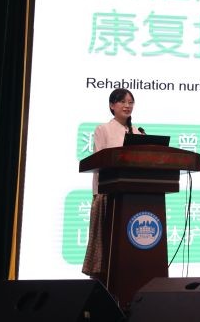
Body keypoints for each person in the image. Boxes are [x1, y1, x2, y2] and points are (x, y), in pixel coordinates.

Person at [82, 87, 142, 281]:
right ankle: (102, 285)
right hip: (107, 194)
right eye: (122, 101)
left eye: (130, 102)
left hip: (132, 196)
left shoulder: (138, 132)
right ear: (111, 105)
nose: (127, 105)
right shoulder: (103, 129)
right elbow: (99, 160)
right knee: (105, 246)